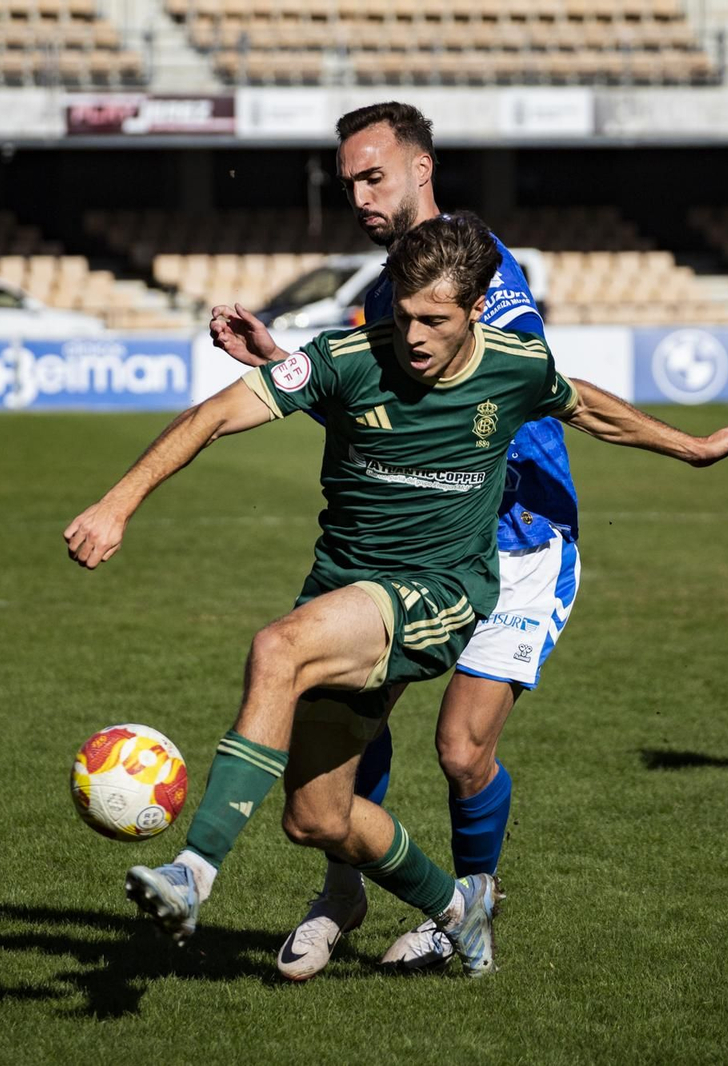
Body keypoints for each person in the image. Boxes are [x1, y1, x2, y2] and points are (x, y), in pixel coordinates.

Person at [65, 212, 728, 978]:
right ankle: (458, 911)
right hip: (347, 589)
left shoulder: (515, 366)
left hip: (442, 593)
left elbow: (592, 408)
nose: (416, 335)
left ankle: (191, 875)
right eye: (403, 315)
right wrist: (117, 502)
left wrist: (694, 447)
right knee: (316, 818)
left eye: (436, 319)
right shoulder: (345, 357)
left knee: (278, 646)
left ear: (473, 310)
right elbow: (216, 416)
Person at [211, 101, 583, 978]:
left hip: (520, 539)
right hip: (415, 545)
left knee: (461, 750)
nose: (361, 195)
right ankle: (343, 889)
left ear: (423, 168)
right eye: (348, 183)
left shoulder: (474, 259)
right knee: (347, 707)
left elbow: (505, 371)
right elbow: (382, 412)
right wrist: (291, 362)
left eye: (374, 175)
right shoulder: (384, 294)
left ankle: (471, 907)